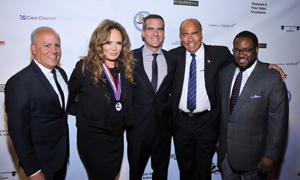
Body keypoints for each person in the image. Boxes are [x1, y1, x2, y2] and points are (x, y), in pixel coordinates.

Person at [68, 19, 134, 180]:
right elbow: (67, 101)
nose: (114, 48)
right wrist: (88, 113)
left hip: (116, 138)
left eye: (118, 43)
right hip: (93, 138)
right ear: (99, 43)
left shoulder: (126, 69)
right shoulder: (84, 68)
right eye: (108, 42)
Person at [217, 31, 288, 180]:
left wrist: (270, 156)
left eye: (247, 50)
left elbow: (278, 122)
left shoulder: (272, 78)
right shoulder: (225, 73)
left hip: (255, 160)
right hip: (226, 157)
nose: (241, 55)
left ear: (256, 50)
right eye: (237, 50)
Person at [169, 18, 233, 180]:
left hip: (207, 123)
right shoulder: (172, 56)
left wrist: (266, 66)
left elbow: (243, 62)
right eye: (185, 34)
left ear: (201, 34)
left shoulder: (220, 54)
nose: (190, 39)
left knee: (204, 170)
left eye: (194, 33)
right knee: (185, 169)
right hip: (181, 123)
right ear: (180, 37)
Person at [5, 26, 69, 180]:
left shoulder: (61, 73)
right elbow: (18, 131)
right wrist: (33, 170)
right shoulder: (19, 83)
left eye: (57, 45)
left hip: (61, 157)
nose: (54, 50)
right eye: (47, 45)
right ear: (34, 49)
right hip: (40, 163)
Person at [127, 14, 176, 180]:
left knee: (161, 175)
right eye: (150, 29)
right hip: (137, 131)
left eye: (160, 29)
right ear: (142, 33)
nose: (155, 33)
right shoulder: (128, 58)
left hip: (163, 131)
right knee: (135, 174)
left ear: (164, 33)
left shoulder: (173, 59)